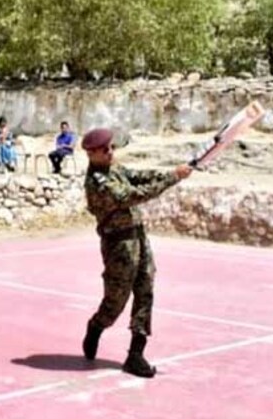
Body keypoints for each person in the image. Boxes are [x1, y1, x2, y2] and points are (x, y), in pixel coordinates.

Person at [79, 127, 192, 378]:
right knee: (116, 300)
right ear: (91, 154)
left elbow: (138, 177)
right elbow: (132, 195)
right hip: (118, 245)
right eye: (105, 149)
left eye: (112, 147)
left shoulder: (114, 169)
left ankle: (135, 353)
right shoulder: (99, 183)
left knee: (145, 290)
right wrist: (173, 178)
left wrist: (173, 172)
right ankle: (97, 325)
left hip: (138, 236)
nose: (111, 152)